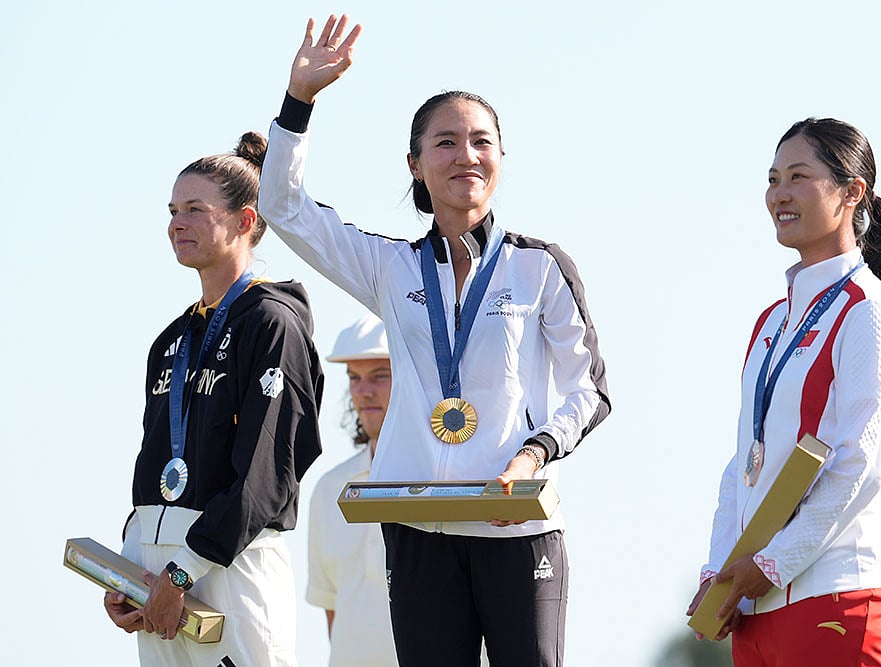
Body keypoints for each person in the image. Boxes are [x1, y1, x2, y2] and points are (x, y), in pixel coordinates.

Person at [258, 14, 611, 667]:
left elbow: (589, 391)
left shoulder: (539, 267)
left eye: (481, 140)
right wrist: (298, 101)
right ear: (416, 164)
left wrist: (531, 455)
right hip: (418, 530)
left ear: (500, 159)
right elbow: (282, 206)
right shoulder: (389, 267)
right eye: (445, 142)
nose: (465, 155)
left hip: (518, 526)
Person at [687, 117, 881, 666]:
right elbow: (744, 465)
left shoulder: (868, 312)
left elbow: (859, 464)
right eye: (773, 179)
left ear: (852, 192)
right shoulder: (772, 321)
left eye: (798, 177)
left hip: (837, 589)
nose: (779, 194)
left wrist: (773, 563)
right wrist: (720, 568)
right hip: (756, 600)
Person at [102, 132, 325, 666]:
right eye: (173, 210)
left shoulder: (272, 324)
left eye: (196, 210)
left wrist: (183, 570)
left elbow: (266, 474)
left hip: (226, 570)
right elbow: (151, 463)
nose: (177, 223)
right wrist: (127, 572)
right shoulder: (171, 340)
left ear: (245, 221)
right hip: (157, 580)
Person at [307, 313, 398, 666]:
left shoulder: (447, 484)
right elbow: (331, 605)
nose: (364, 391)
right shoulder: (330, 489)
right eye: (354, 378)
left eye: (381, 376)